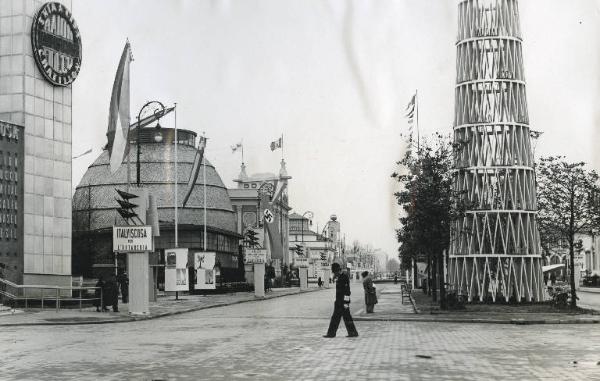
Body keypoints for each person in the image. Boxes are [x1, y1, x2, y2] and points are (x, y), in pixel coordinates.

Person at [323, 262, 358, 338]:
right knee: (339, 317)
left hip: (343, 302)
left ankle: (332, 334)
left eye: (334, 272)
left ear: (338, 270)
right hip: (339, 302)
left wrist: (346, 302)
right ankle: (352, 333)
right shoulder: (339, 277)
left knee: (344, 317)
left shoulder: (344, 277)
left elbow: (347, 291)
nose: (334, 274)